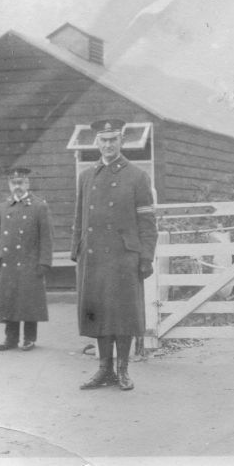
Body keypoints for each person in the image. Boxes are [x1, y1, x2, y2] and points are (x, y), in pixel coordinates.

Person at [71, 119, 158, 391]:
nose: (108, 145)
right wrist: (77, 252)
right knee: (98, 312)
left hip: (124, 255)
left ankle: (122, 371)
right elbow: (79, 216)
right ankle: (103, 370)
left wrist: (146, 257)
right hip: (94, 255)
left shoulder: (137, 176)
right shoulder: (86, 176)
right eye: (103, 140)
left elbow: (147, 222)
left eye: (113, 140)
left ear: (122, 141)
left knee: (123, 314)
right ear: (96, 142)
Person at [0, 167, 54, 351]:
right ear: (9, 185)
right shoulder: (1, 208)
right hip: (7, 264)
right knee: (9, 301)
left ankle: (29, 338)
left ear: (27, 184)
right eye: (14, 183)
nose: (17, 187)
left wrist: (45, 262)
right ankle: (11, 339)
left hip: (30, 263)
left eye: (21, 183)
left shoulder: (39, 206)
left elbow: (46, 237)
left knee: (29, 301)